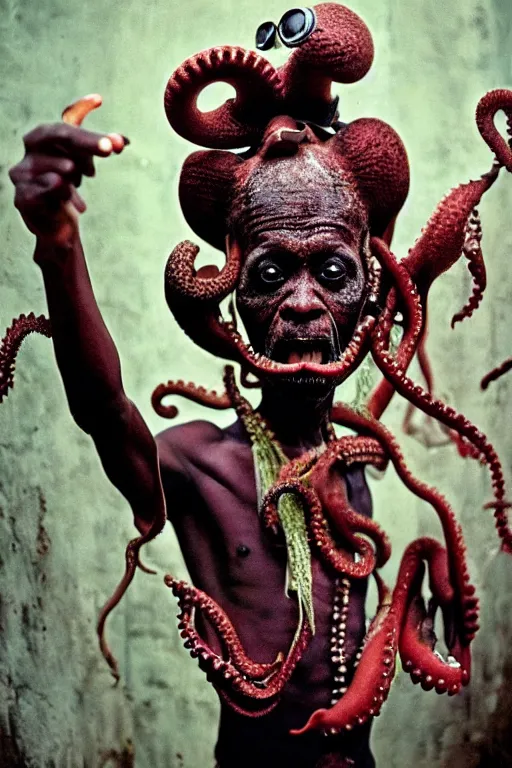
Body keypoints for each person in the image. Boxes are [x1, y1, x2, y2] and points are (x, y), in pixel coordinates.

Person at [7, 5, 512, 767]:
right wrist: (57, 249)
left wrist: (422, 567)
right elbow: (107, 411)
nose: (304, 302)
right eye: (272, 273)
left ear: (371, 295)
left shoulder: (353, 467)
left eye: (333, 273)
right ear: (230, 291)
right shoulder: (194, 467)